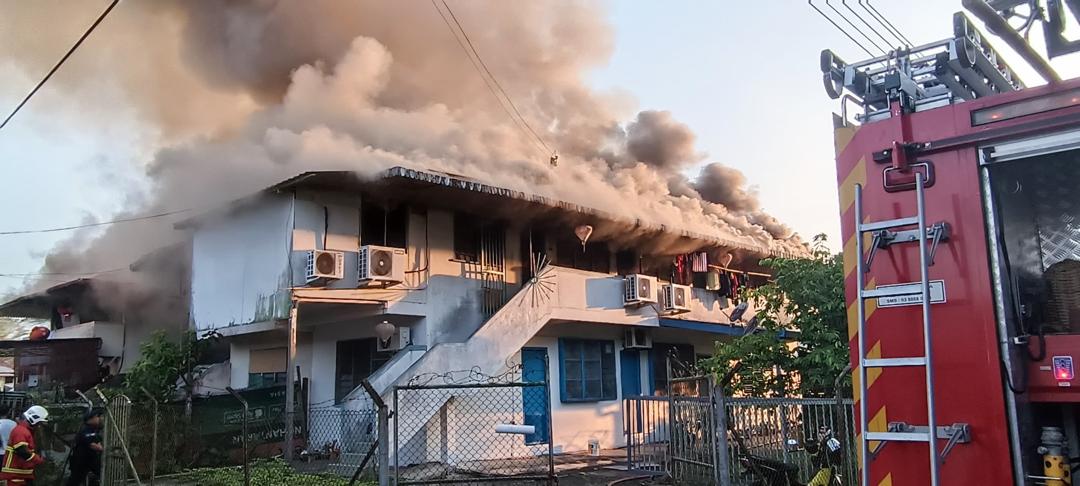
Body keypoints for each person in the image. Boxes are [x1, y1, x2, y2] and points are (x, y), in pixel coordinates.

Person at [0, 405, 48, 485]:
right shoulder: (21, 431)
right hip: (14, 477)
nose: (39, 426)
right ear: (34, 420)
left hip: (22, 475)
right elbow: (22, 451)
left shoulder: (26, 431)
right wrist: (39, 460)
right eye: (39, 423)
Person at [66, 409, 103, 486]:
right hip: (81, 461)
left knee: (102, 474)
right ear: (90, 419)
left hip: (89, 460)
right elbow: (94, 445)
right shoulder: (86, 430)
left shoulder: (93, 430)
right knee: (75, 481)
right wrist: (101, 448)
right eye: (97, 416)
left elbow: (98, 442)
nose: (99, 418)